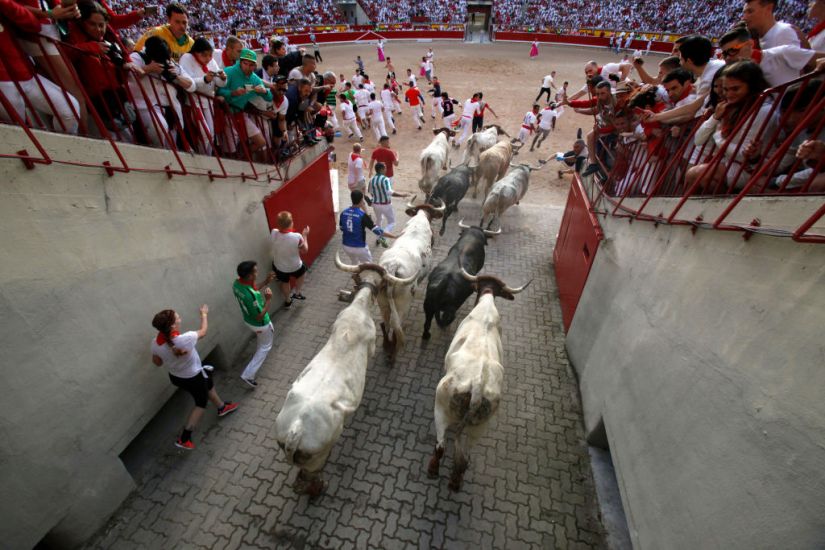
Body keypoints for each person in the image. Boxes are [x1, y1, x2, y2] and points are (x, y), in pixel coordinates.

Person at [151, 305, 238, 450]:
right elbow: (203, 332)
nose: (180, 318)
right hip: (193, 377)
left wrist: (170, 357)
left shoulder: (154, 343)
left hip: (177, 377)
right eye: (178, 317)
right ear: (173, 325)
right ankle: (184, 438)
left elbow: (157, 362)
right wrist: (204, 314)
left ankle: (222, 407)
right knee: (201, 403)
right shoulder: (186, 338)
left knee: (208, 382)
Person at [687, 61, 776, 192]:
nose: (728, 94)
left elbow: (742, 155)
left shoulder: (764, 110)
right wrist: (715, 117)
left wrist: (718, 135)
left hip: (755, 168)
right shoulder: (729, 107)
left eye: (735, 89)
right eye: (726, 89)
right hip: (732, 164)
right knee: (696, 176)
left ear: (752, 86)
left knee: (697, 174)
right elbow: (698, 140)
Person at [128, 36, 195, 147]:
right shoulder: (137, 57)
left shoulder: (170, 63)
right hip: (145, 108)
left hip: (171, 111)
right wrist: (149, 68)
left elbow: (191, 85)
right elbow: (129, 75)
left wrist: (176, 77)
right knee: (160, 126)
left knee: (172, 144)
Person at [719, 23, 823, 86]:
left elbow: (820, 59)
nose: (728, 58)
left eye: (733, 50)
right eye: (724, 54)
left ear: (750, 44)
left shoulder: (782, 53)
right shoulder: (733, 77)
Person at [216, 48, 273, 154]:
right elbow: (218, 90)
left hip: (240, 114)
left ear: (255, 66)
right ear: (240, 62)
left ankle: (242, 157)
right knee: (230, 149)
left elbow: (269, 97)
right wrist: (233, 93)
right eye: (245, 63)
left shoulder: (254, 78)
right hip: (225, 114)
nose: (247, 67)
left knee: (261, 142)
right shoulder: (229, 71)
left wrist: (264, 91)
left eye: (251, 65)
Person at [232, 261, 276, 387]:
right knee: (265, 347)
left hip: (248, 321)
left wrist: (266, 282)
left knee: (262, 343)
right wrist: (268, 299)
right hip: (261, 324)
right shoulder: (250, 296)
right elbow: (259, 315)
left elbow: (252, 288)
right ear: (250, 276)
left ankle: (258, 350)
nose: (257, 273)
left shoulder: (237, 283)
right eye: (255, 271)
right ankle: (248, 375)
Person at [339, 190, 398, 264]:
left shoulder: (343, 213)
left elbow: (342, 228)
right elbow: (378, 231)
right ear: (361, 200)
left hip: (346, 246)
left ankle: (355, 274)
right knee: (368, 265)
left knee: (354, 262)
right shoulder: (362, 215)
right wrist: (394, 236)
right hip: (359, 248)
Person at [271, 211, 309, 306]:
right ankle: (297, 292)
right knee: (303, 270)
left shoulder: (274, 233)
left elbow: (278, 230)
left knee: (285, 282)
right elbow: (305, 250)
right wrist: (305, 235)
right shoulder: (297, 236)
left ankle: (288, 300)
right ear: (291, 223)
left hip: (280, 267)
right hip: (295, 266)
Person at [367, 162, 407, 247]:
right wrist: (402, 195)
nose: (386, 169)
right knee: (392, 222)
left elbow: (370, 192)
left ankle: (378, 237)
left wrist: (376, 197)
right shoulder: (385, 179)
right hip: (386, 205)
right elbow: (389, 192)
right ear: (381, 169)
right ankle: (382, 236)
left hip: (375, 204)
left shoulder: (372, 180)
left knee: (379, 220)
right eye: (385, 168)